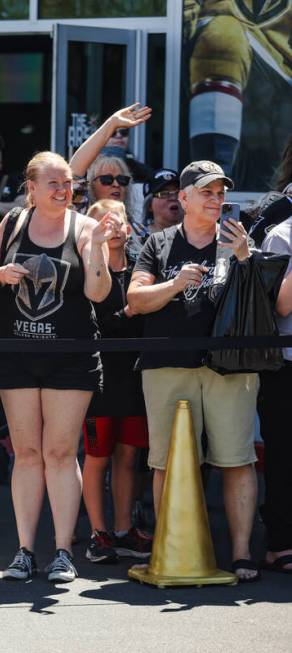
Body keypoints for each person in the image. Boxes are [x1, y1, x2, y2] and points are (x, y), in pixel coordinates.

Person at [127, 160, 259, 582]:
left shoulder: (240, 241)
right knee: (165, 462)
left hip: (230, 368)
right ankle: (169, 551)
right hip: (168, 365)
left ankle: (241, 555)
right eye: (206, 191)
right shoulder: (158, 243)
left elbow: (267, 305)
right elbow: (136, 300)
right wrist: (174, 285)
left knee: (237, 460)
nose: (216, 199)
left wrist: (246, 260)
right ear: (182, 198)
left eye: (220, 192)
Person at [0, 151, 116, 583]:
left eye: (69, 184)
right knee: (26, 454)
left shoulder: (81, 226)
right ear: (32, 188)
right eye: (55, 183)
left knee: (60, 453)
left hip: (71, 357)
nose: (64, 191)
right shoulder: (12, 224)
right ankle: (24, 550)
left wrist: (98, 246)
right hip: (17, 354)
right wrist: (0, 274)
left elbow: (98, 293)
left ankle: (63, 551)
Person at [80, 199, 152, 564]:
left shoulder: (142, 263)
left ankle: (124, 530)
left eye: (118, 220)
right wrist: (127, 312)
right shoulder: (88, 267)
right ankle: (99, 532)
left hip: (136, 378)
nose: (112, 227)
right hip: (99, 378)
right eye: (102, 222)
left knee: (129, 456)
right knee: (97, 457)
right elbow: (96, 322)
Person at [260, 209, 292, 574]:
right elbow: (281, 304)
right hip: (285, 364)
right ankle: (280, 542)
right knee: (284, 454)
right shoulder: (281, 236)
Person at [70, 104, 153, 226]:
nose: (116, 184)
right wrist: (112, 123)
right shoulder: (80, 219)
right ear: (90, 185)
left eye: (122, 180)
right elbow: (74, 174)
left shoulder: (138, 230)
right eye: (106, 180)